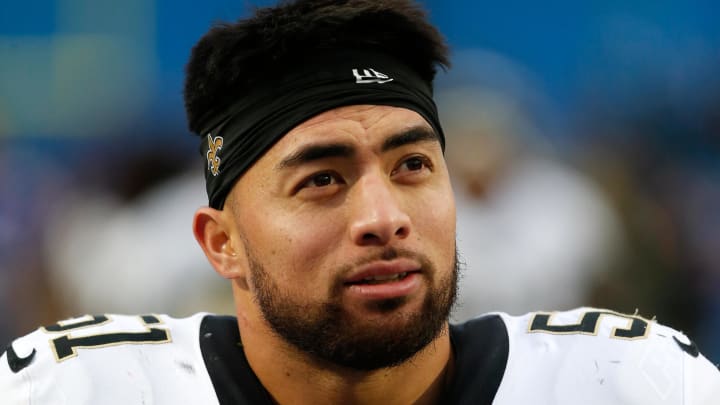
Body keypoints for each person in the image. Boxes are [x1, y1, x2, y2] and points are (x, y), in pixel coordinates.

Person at [1, 1, 718, 404]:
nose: (385, 217)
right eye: (322, 179)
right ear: (222, 243)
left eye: (412, 164)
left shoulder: (634, 383)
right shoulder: (71, 390)